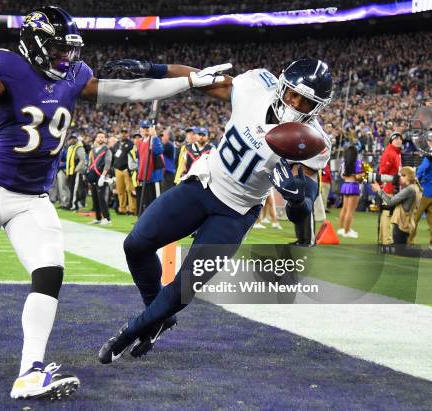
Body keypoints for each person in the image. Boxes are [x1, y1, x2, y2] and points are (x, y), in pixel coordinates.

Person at [0, 5, 227, 402]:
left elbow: (132, 89)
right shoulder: (7, 66)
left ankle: (30, 371)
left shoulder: (75, 75)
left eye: (69, 49)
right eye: (59, 48)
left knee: (49, 272)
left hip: (33, 199)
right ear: (35, 45)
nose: (67, 57)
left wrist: (190, 82)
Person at [97, 58, 333, 363]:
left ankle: (130, 333)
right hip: (204, 185)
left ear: (318, 107)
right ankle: (159, 319)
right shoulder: (254, 87)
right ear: (281, 84)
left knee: (183, 287)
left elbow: (300, 215)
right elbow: (200, 78)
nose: (296, 103)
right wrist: (153, 68)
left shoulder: (314, 143)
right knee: (136, 244)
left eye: (306, 101)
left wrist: (297, 200)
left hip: (235, 212)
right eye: (292, 93)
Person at [371, 167, 422, 245]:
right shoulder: (416, 187)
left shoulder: (409, 190)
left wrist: (378, 190)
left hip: (402, 226)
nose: (399, 178)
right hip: (408, 224)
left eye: (401, 175)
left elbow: (390, 202)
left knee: (400, 252)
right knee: (402, 249)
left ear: (407, 176)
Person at [378, 132, 403, 245]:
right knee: (387, 214)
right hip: (389, 189)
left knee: (389, 214)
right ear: (391, 141)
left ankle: (385, 239)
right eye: (396, 139)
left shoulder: (396, 152)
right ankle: (386, 240)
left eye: (400, 139)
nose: (398, 141)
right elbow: (383, 172)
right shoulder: (389, 153)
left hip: (394, 188)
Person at [135, 120, 164, 215]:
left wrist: (155, 136)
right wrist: (139, 174)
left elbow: (159, 151)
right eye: (144, 128)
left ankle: (158, 223)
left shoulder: (154, 140)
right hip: (144, 176)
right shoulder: (139, 142)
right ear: (140, 130)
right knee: (146, 203)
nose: (146, 130)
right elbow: (140, 160)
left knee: (156, 202)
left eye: (147, 128)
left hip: (154, 176)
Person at [337, 145, 363, 238]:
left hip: (345, 185)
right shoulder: (358, 163)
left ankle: (341, 228)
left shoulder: (344, 163)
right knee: (350, 211)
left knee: (344, 208)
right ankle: (347, 231)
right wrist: (363, 174)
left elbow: (342, 175)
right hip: (353, 186)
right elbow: (358, 176)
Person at [87, 132, 112, 224]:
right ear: (96, 138)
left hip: (102, 175)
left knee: (102, 197)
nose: (100, 138)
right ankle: (98, 218)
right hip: (93, 175)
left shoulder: (107, 150)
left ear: (105, 139)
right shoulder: (93, 150)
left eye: (102, 137)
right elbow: (90, 162)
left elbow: (108, 164)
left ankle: (107, 218)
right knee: (95, 197)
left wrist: (103, 175)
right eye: (99, 136)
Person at [113, 128, 136, 215]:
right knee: (120, 191)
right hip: (118, 170)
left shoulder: (130, 144)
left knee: (130, 190)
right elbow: (114, 157)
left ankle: (132, 209)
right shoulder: (116, 145)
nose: (123, 134)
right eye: (122, 133)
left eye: (125, 133)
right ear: (119, 134)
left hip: (127, 170)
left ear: (127, 134)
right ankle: (122, 209)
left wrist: (129, 169)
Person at [411, 155, 432, 248]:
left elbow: (422, 169)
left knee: (414, 218)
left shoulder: (429, 157)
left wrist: (416, 178)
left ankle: (409, 241)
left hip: (424, 193)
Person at [65, 135, 87, 210]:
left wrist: (77, 169)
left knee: (75, 189)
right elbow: (68, 160)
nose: (69, 141)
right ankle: (71, 203)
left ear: (74, 139)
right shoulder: (71, 147)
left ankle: (73, 205)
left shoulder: (79, 147)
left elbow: (82, 160)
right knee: (71, 188)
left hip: (76, 172)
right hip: (70, 171)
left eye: (70, 139)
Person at [161, 128, 176, 192]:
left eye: (163, 135)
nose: (162, 137)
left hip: (168, 173)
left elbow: (158, 151)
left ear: (168, 136)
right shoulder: (169, 145)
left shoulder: (168, 145)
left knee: (166, 192)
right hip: (167, 172)